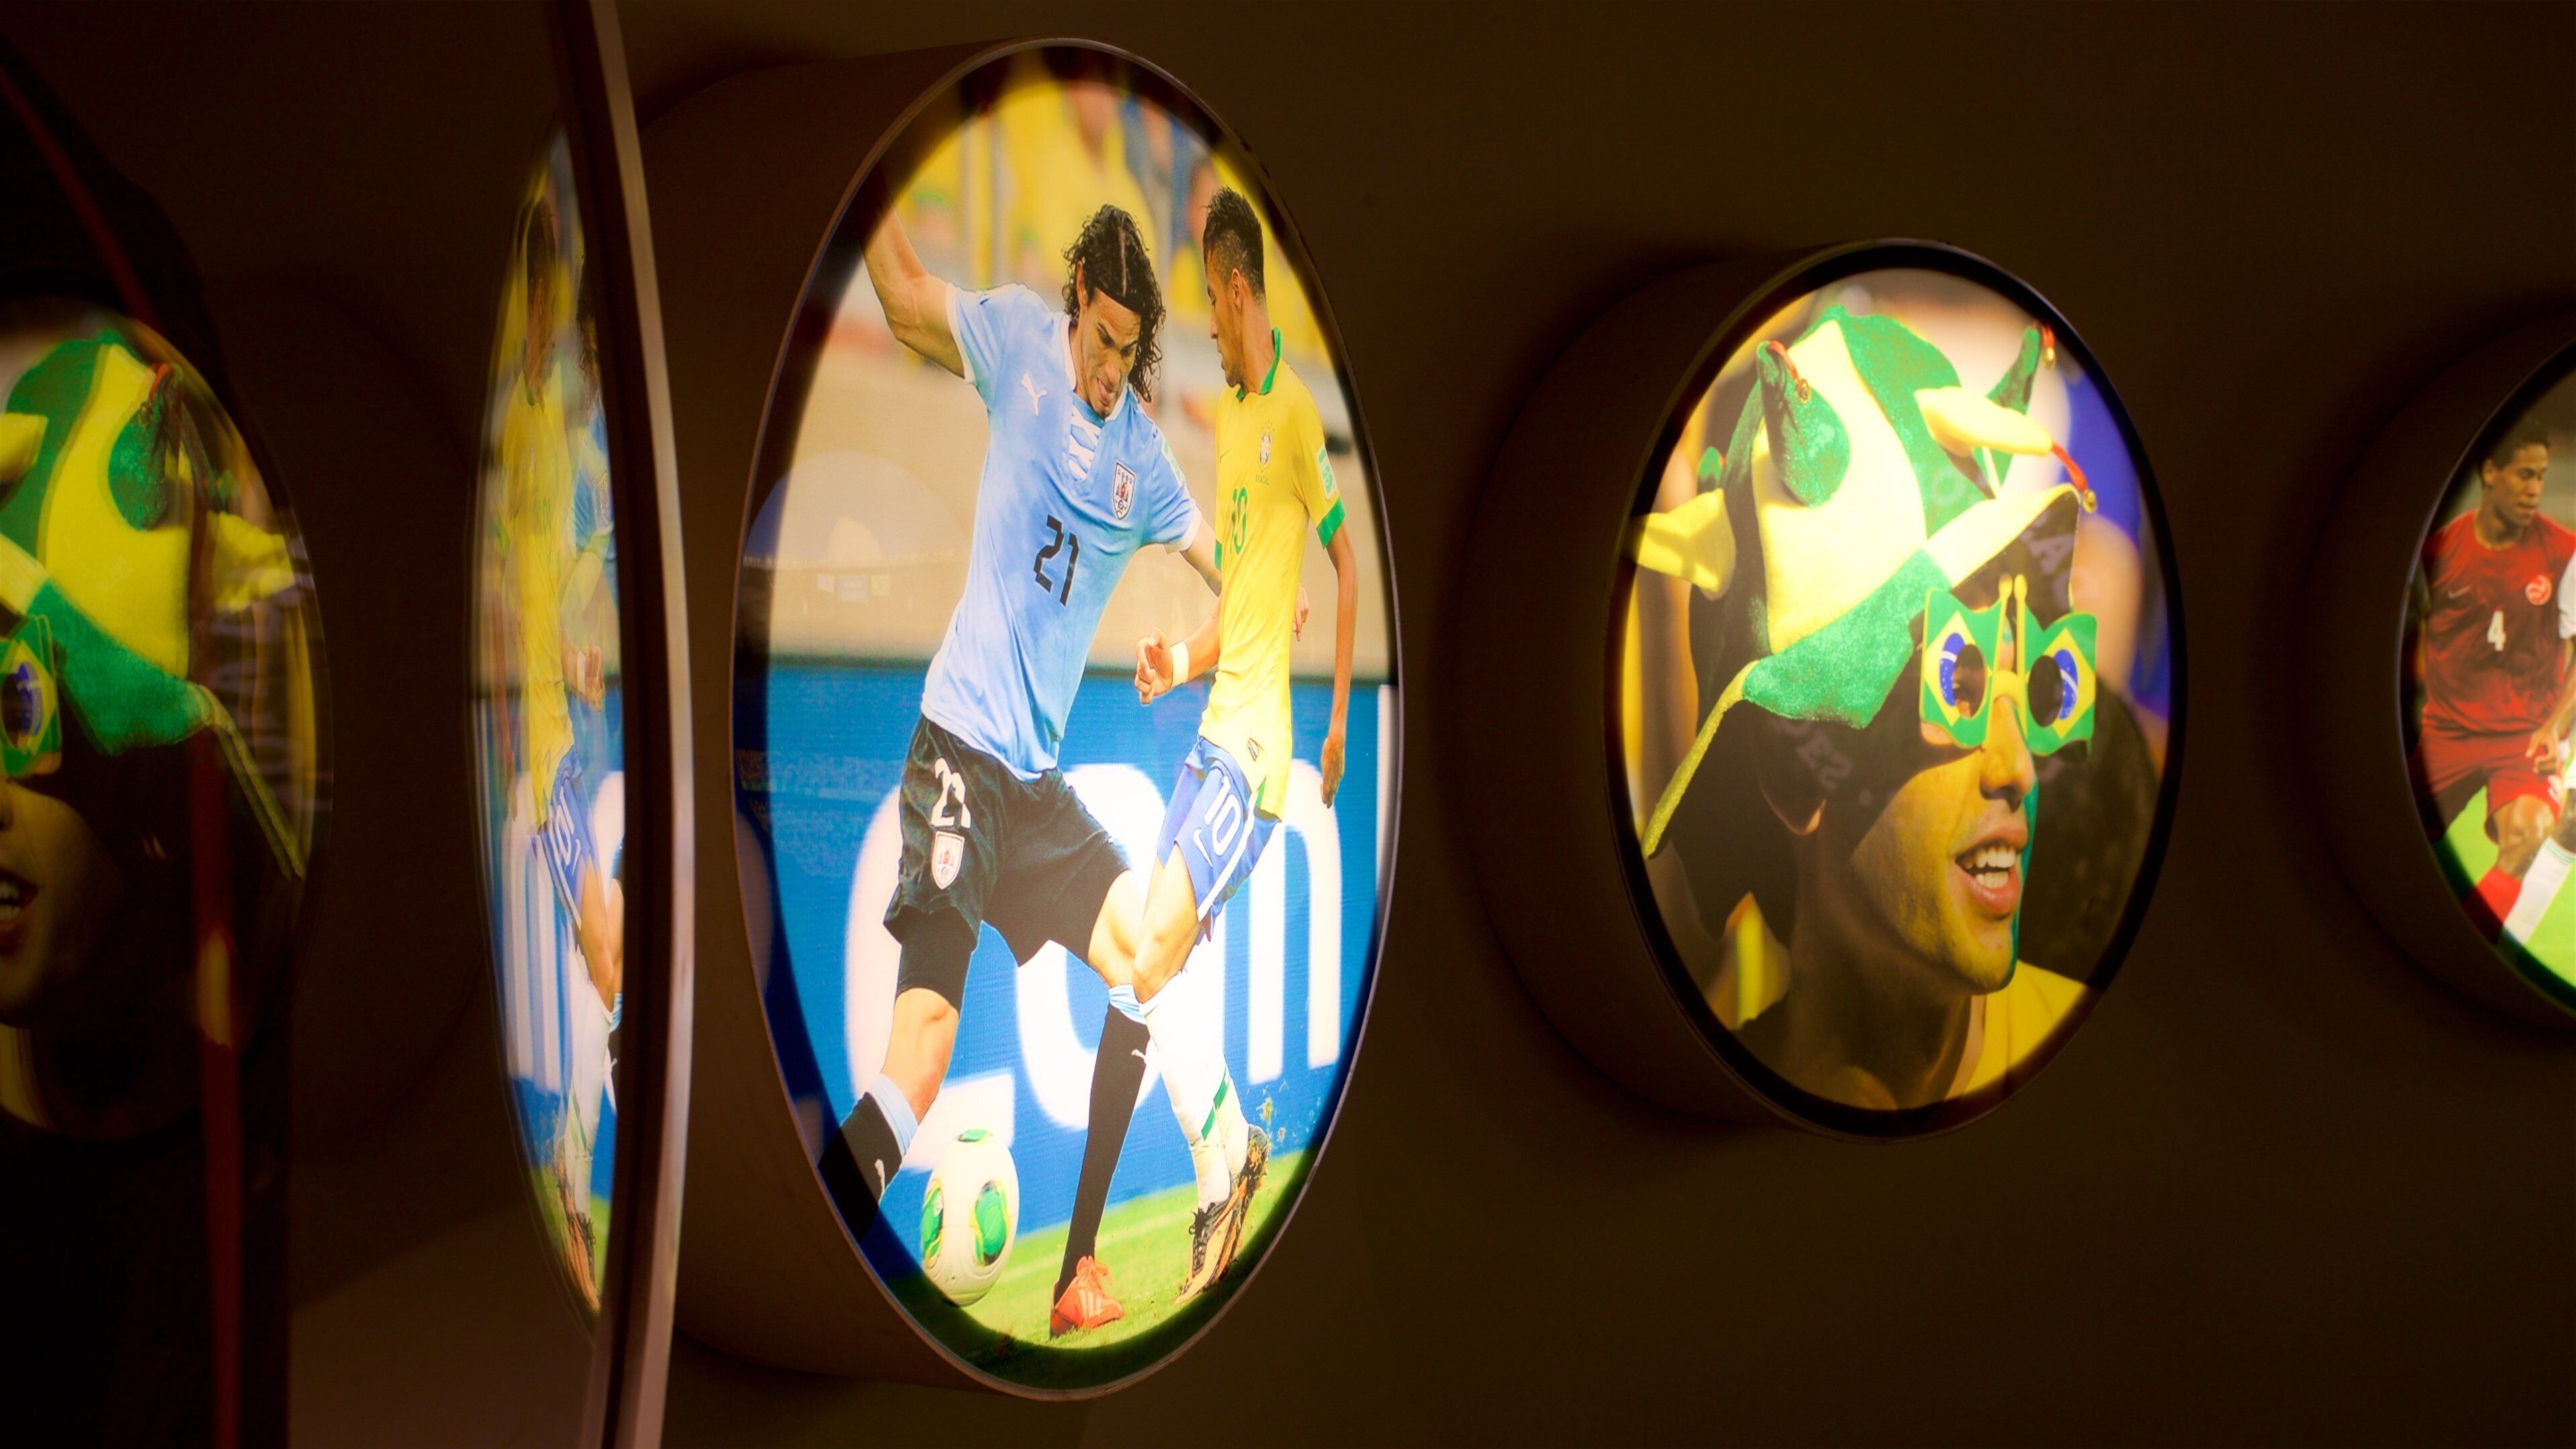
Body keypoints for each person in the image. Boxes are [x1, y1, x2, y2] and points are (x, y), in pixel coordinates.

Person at [816, 202, 1229, 1260]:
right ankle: (820, 1230)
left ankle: (1221, 1181)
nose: (1110, 373)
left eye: (1130, 354)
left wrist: (1210, 642)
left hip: (1036, 788)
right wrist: (857, 190)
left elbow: (1242, 582)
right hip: (957, 752)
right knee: (927, 1045)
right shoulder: (1013, 341)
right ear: (1076, 296)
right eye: (1101, 342)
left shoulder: (1145, 460)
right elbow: (907, 304)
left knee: (1149, 950)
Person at [1630, 308, 2105, 1110]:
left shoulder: (2105, 1089)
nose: (2017, 766)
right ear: (1793, 767)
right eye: (1957, 681)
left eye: (2033, 688)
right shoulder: (1691, 1144)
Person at [1045, 189, 1358, 1334]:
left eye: (1213, 315)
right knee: (1142, 966)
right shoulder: (1230, 420)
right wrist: (1181, 655)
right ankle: (1231, 1149)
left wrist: (1328, 724)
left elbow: (1334, 579)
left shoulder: (1294, 424)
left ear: (1236, 293)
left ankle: (1224, 1173)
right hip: (1209, 735)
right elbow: (1252, 597)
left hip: (1256, 753)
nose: (1210, 341)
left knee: (1148, 953)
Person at [494, 191, 623, 1299]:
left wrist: (582, 651)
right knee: (612, 948)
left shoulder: (571, 442)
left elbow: (571, 578)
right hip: (542, 761)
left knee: (611, 959)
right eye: (552, 313)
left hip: (567, 738)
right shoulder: (519, 432)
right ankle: (571, 1176)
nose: (554, 332)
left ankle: (573, 1172)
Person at [2411, 427, 2573, 938]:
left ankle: (2463, 946)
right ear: (2489, 472)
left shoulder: (2564, 553)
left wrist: (2555, 726)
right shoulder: (2438, 552)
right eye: (2525, 475)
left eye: (2542, 478)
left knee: (2529, 835)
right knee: (2384, 835)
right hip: (2448, 733)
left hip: (2524, 737)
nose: (2534, 490)